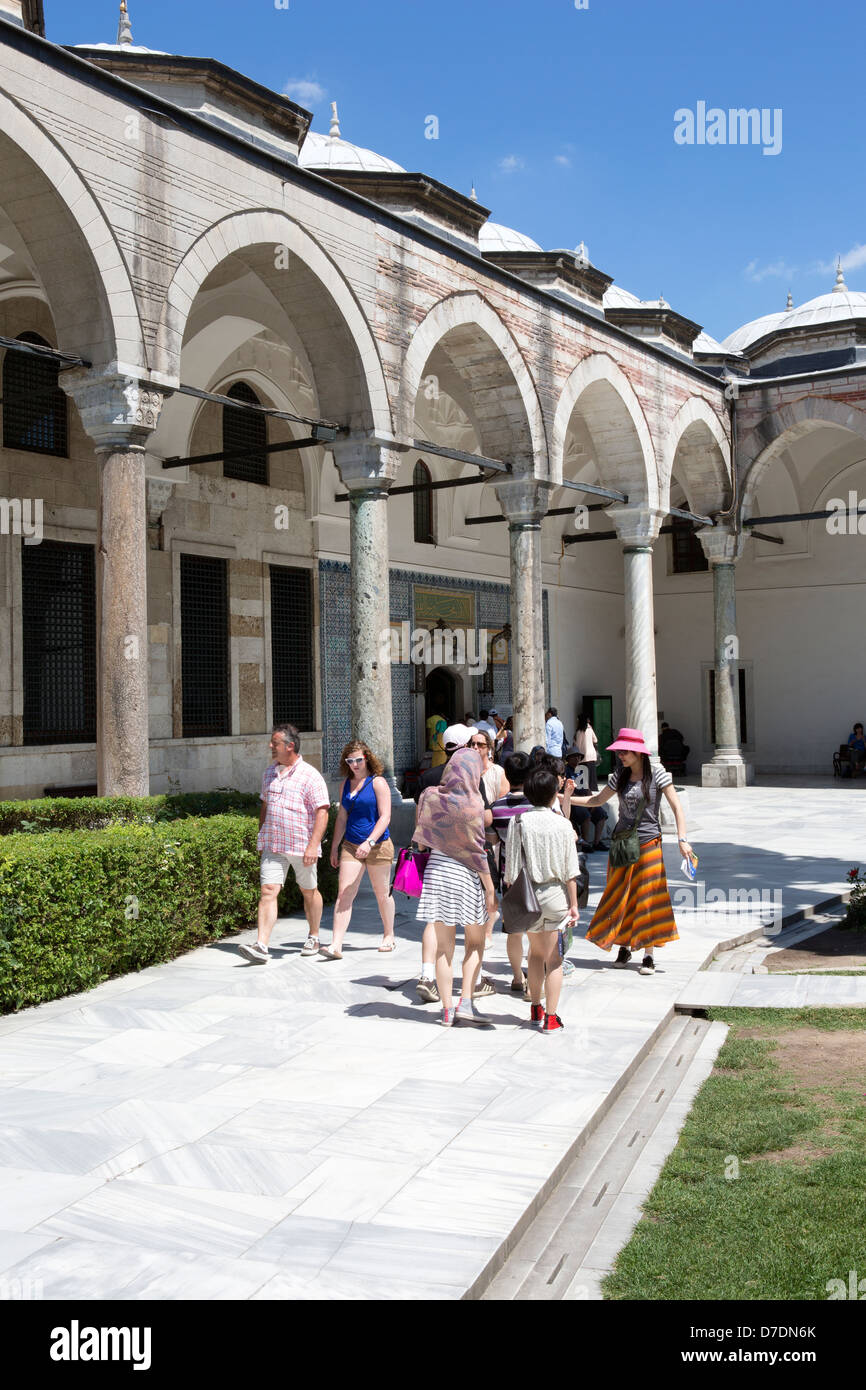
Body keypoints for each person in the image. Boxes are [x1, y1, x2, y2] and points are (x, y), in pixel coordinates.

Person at [570, 727, 693, 976]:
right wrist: (565, 797)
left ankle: (648, 953)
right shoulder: (619, 776)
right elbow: (596, 801)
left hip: (649, 844)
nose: (621, 756)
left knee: (647, 897)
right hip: (622, 845)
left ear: (638, 753)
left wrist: (682, 839)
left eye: (625, 752)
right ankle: (623, 946)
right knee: (619, 896)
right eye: (619, 752)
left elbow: (677, 808)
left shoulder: (658, 775)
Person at [414, 748, 497, 1027]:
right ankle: (467, 1003)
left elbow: (422, 843)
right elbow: (477, 852)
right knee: (475, 942)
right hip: (465, 877)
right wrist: (489, 889)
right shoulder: (474, 804)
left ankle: (447, 1011)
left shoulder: (429, 796)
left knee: (443, 949)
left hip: (436, 875)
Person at [239, 723, 330, 964]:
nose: (271, 746)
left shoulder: (310, 776)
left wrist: (313, 845)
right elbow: (265, 806)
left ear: (290, 746)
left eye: (275, 743)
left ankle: (313, 935)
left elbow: (322, 812)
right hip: (274, 844)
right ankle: (262, 945)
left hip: (301, 845)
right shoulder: (269, 773)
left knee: (308, 891)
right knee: (268, 891)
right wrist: (261, 836)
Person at [504, 765, 580, 1033]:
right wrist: (574, 904)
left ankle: (535, 1007)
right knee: (554, 959)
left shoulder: (519, 822)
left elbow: (511, 869)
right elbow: (571, 870)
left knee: (534, 954)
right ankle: (551, 1016)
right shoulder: (563, 824)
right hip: (556, 895)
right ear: (553, 794)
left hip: (529, 897)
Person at [319, 741, 395, 959]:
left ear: (367, 758)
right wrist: (334, 847)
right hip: (351, 845)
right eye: (350, 761)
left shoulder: (378, 783)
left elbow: (385, 817)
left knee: (381, 893)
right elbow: (342, 817)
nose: (354, 765)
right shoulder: (346, 784)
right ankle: (336, 944)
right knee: (344, 893)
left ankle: (388, 935)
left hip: (378, 846)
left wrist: (370, 842)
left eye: (358, 760)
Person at [491, 751, 534, 998]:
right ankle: (535, 977)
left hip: (510, 876)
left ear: (506, 775)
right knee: (536, 931)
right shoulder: (537, 806)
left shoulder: (496, 808)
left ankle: (517, 977)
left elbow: (495, 842)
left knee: (514, 931)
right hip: (535, 877)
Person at [564, 747, 608, 851]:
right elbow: (570, 792)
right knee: (585, 814)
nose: (577, 759)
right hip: (573, 802)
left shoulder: (581, 771)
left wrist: (592, 801)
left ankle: (597, 842)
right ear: (568, 758)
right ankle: (585, 843)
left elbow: (587, 788)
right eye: (574, 757)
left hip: (585, 800)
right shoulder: (566, 771)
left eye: (578, 757)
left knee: (601, 813)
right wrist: (583, 802)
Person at [572, 712, 600, 792]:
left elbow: (577, 745)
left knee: (584, 775)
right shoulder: (590, 729)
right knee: (592, 775)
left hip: (583, 756)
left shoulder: (579, 732)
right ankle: (594, 789)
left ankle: (586, 790)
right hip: (591, 755)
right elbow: (595, 740)